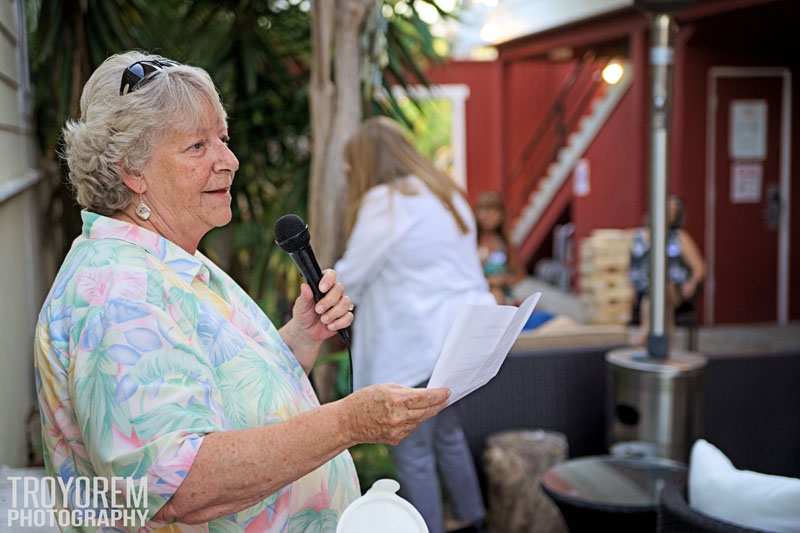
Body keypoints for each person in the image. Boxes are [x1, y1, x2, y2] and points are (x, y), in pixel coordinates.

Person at [34, 52, 450, 532]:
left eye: (223, 140)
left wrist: (300, 337)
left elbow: (222, 394)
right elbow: (179, 486)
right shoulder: (117, 292)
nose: (229, 161)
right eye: (196, 146)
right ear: (132, 169)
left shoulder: (167, 260)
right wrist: (348, 423)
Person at [335, 117, 489, 533]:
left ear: (366, 163)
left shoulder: (386, 202)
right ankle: (473, 519)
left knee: (414, 450)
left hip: (415, 345)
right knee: (448, 435)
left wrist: (321, 284)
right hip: (461, 339)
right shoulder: (446, 195)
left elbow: (354, 274)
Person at [629, 194, 706, 343]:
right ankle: (665, 343)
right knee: (656, 289)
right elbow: (630, 266)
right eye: (666, 209)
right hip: (641, 289)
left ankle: (646, 330)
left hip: (674, 289)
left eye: (673, 211)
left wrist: (692, 283)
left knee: (660, 287)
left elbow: (699, 268)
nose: (668, 213)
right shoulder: (638, 236)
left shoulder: (680, 237)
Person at [474, 191, 524, 304]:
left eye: (494, 211)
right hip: (479, 294)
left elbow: (519, 274)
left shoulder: (504, 242)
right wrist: (490, 282)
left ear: (501, 215)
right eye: (483, 210)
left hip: (504, 294)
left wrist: (504, 280)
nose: (488, 216)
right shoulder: (472, 242)